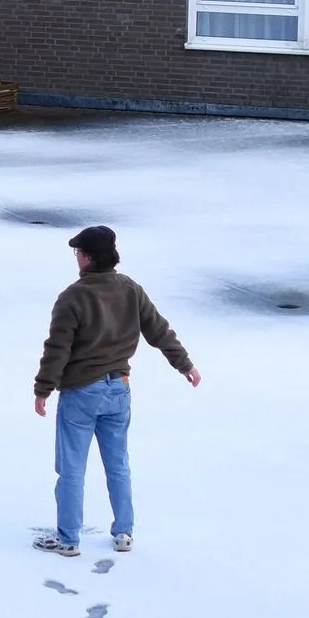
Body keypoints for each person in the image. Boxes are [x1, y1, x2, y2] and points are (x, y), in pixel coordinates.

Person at [31, 227, 199, 557]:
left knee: (71, 470)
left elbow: (57, 349)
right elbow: (159, 330)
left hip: (81, 393)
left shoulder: (72, 297)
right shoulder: (130, 290)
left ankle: (68, 539)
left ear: (89, 258)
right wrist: (184, 365)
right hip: (118, 390)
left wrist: (43, 389)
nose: (76, 258)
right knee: (118, 465)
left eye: (78, 253)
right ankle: (124, 533)